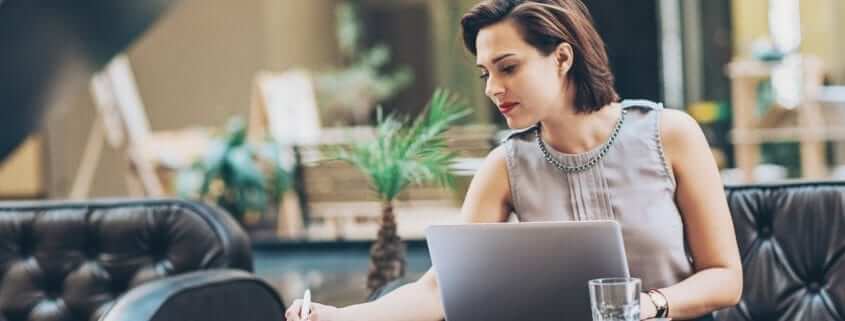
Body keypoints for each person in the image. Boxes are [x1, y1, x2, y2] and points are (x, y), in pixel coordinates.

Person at [285, 0, 742, 320]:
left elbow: (724, 278)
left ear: (562, 57)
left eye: (508, 67)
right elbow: (442, 289)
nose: (491, 88)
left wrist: (648, 306)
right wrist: (342, 317)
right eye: (486, 73)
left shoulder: (670, 134)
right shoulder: (505, 166)